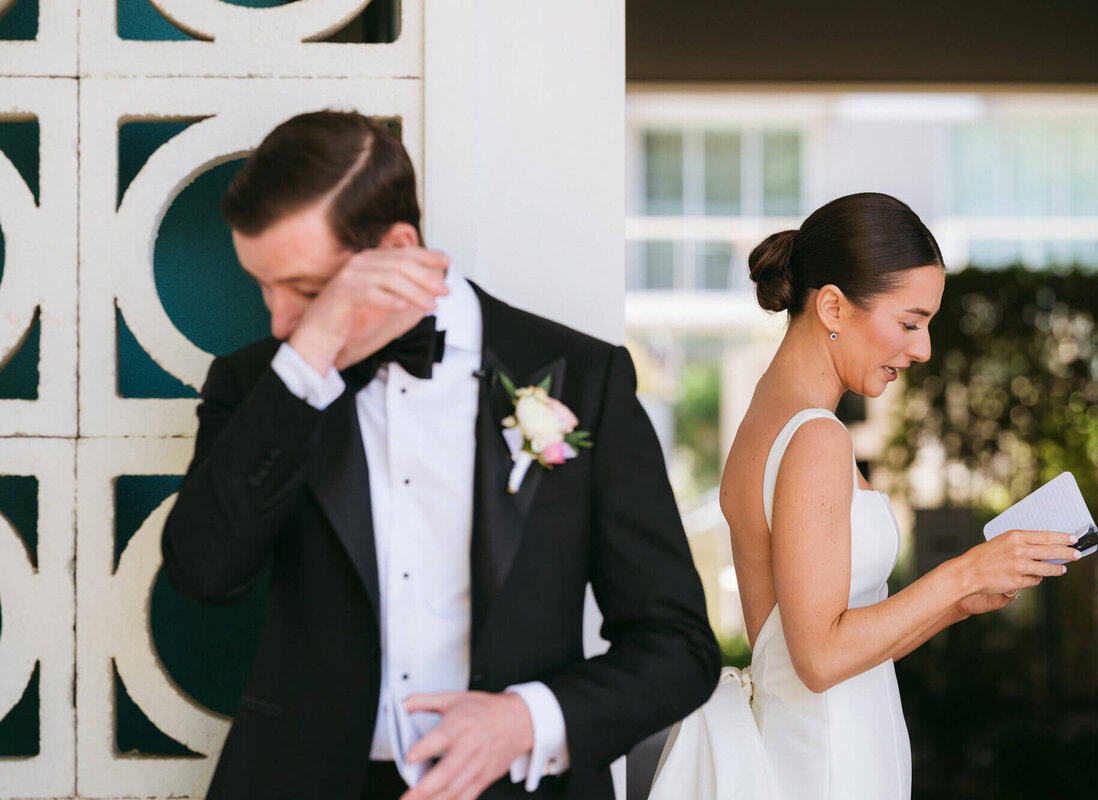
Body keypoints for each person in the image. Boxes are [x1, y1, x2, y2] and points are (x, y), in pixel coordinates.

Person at [160, 110, 721, 800]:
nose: (276, 320)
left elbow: (678, 647)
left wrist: (528, 720)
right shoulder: (261, 388)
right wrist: (306, 364)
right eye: (262, 287)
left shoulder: (583, 378)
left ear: (397, 246)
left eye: (305, 291)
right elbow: (204, 574)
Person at [648, 193, 1082, 799]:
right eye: (909, 322)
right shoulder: (816, 437)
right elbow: (820, 658)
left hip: (808, 743)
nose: (923, 349)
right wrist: (963, 574)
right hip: (830, 762)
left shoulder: (762, 422)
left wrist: (958, 603)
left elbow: (825, 641)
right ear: (832, 305)